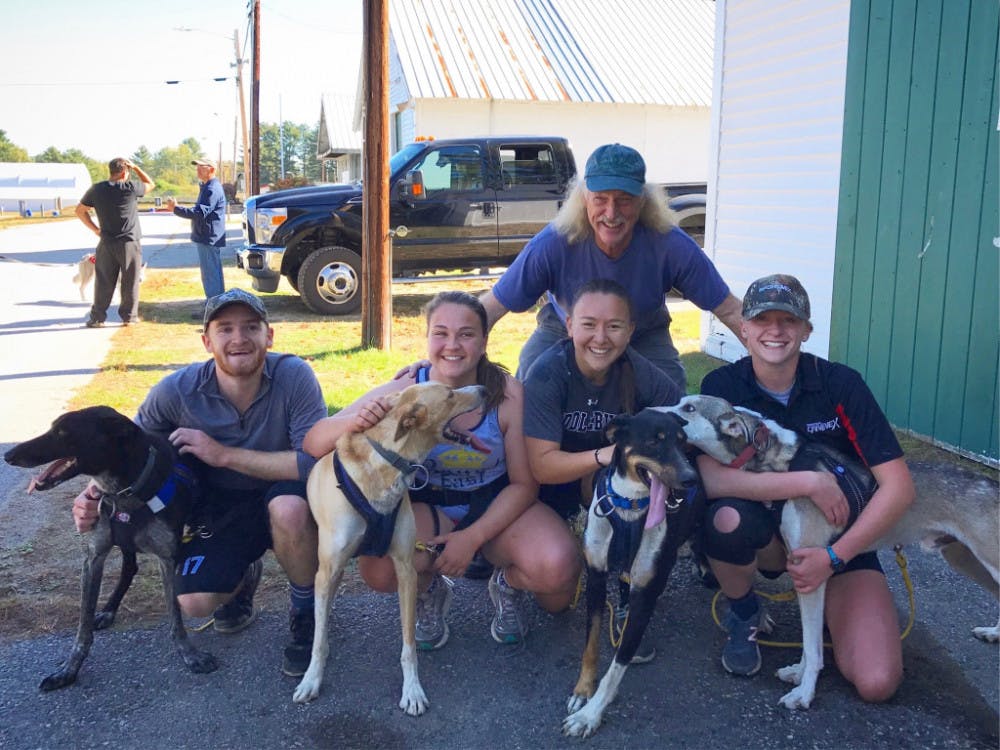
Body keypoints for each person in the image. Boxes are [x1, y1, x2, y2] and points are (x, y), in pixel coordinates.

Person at [71, 288, 329, 677]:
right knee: (193, 602)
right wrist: (94, 494)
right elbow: (129, 455)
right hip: (220, 503)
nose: (239, 338)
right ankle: (242, 580)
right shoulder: (177, 390)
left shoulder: (294, 376)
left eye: (251, 327)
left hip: (284, 491)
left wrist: (223, 455)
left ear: (269, 335)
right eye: (225, 329)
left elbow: (314, 463)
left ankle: (307, 613)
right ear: (207, 341)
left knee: (289, 510)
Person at [303, 291, 581, 649]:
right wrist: (357, 420)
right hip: (428, 506)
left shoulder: (508, 395)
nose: (452, 344)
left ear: (484, 341)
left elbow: (524, 485)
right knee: (379, 571)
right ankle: (428, 588)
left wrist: (473, 538)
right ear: (428, 338)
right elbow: (313, 442)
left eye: (466, 334)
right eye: (441, 333)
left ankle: (506, 584)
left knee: (558, 577)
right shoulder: (405, 391)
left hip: (494, 502)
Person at [695, 274, 915, 702]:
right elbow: (710, 478)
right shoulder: (722, 389)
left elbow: (899, 487)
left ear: (806, 330)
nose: (775, 331)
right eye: (762, 320)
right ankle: (744, 610)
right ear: (743, 327)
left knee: (877, 682)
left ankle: (837, 609)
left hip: (838, 539)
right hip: (765, 534)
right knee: (723, 518)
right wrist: (809, 482)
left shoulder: (841, 385)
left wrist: (835, 557)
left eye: (788, 320)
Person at [480, 142, 744, 390]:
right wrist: (458, 367)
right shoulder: (553, 243)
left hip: (643, 330)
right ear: (584, 198)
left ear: (643, 202)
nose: (611, 212)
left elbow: (730, 310)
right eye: (600, 199)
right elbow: (489, 309)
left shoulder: (670, 245)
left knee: (670, 392)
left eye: (624, 200)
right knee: (530, 378)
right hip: (563, 329)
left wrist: (771, 364)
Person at [521, 278, 683, 661]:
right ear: (569, 325)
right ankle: (516, 571)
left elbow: (679, 424)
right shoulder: (547, 373)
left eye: (614, 326)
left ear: (631, 331)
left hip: (608, 484)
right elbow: (541, 466)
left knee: (639, 480)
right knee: (555, 602)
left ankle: (628, 590)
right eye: (589, 324)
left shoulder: (640, 373)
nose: (601, 337)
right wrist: (607, 454)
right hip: (552, 486)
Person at [75, 157, 155, 327]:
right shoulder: (130, 187)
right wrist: (137, 167)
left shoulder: (96, 189)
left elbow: (80, 210)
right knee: (130, 280)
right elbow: (150, 183)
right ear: (125, 172)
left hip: (106, 242)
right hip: (129, 242)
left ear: (110, 171)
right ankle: (129, 317)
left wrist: (95, 229)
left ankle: (97, 318)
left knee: (103, 281)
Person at [166, 159, 227, 317]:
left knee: (210, 274)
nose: (198, 170)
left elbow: (199, 213)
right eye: (197, 167)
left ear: (211, 169)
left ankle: (213, 310)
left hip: (208, 237)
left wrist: (176, 209)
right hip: (208, 236)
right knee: (212, 272)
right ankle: (216, 306)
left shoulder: (211, 188)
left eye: (202, 167)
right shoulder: (208, 186)